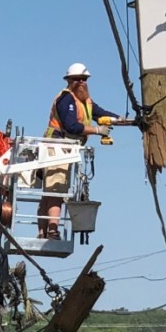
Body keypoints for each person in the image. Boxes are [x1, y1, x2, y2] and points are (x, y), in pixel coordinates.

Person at [38, 63, 121, 239]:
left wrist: (122, 120)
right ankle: (51, 231)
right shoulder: (66, 99)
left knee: (52, 191)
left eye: (84, 79)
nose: (82, 82)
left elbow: (100, 113)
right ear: (69, 81)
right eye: (77, 79)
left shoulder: (84, 102)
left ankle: (44, 232)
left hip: (66, 148)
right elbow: (72, 126)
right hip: (57, 146)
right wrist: (97, 130)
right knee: (55, 189)